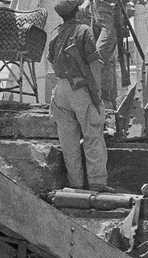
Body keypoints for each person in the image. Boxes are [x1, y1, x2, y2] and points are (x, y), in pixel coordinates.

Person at [48, 0, 113, 193]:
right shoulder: (84, 30)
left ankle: (75, 184)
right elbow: (93, 63)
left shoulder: (56, 36)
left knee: (68, 142)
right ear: (78, 11)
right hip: (80, 88)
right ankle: (97, 183)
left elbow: (53, 63)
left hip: (60, 91)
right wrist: (97, 92)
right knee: (93, 134)